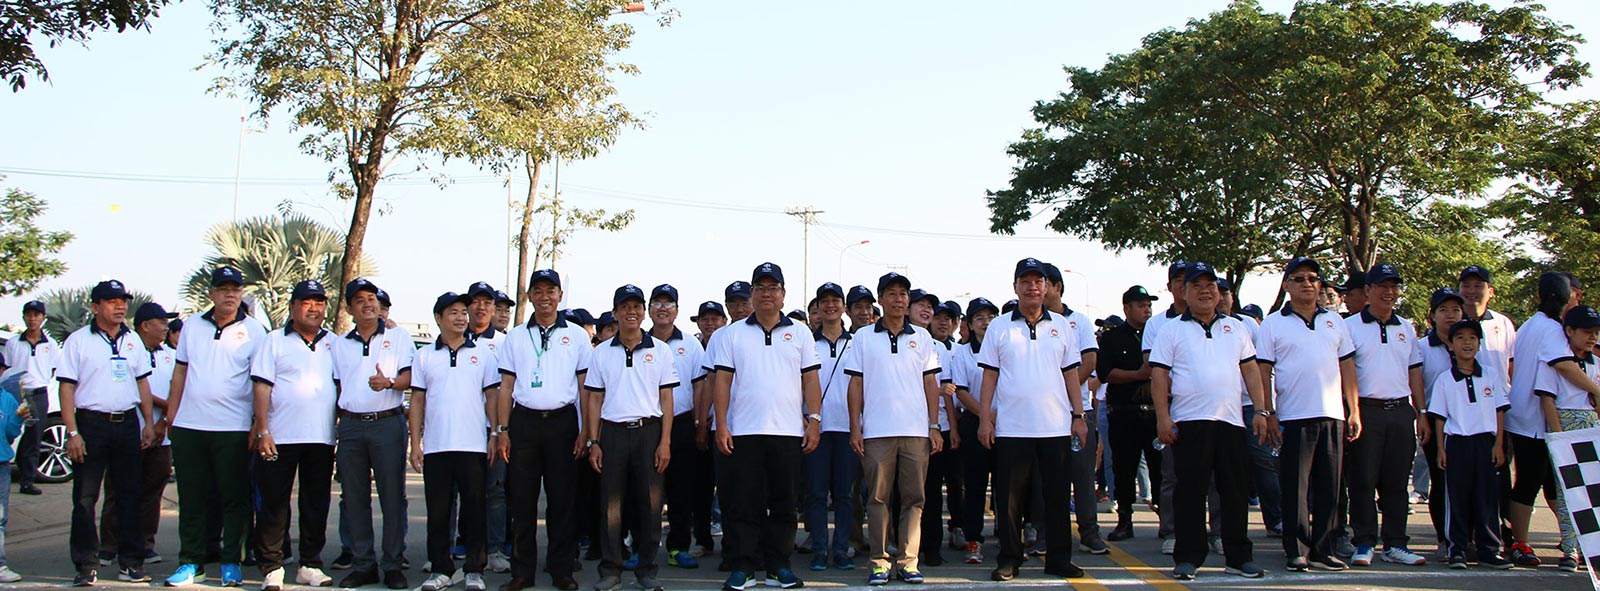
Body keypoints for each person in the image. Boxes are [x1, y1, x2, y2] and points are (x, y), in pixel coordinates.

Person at [1150, 261, 1272, 581]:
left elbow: (1250, 370)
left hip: (1230, 421)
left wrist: (1261, 411)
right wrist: (1163, 417)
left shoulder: (1236, 328)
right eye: (1197, 285)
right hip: (1189, 421)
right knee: (1189, 492)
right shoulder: (1171, 329)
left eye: (1211, 286)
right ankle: (1188, 557)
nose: (1205, 291)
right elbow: (1159, 376)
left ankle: (1238, 556)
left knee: (1234, 492)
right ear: (1184, 291)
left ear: (1218, 292)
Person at [710, 263, 822, 591]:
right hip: (744, 432)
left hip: (788, 432)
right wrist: (721, 424)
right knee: (745, 503)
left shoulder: (800, 332)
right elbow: (722, 381)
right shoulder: (733, 334)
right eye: (760, 288)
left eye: (773, 288)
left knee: (785, 503)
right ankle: (743, 567)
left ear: (783, 295)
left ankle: (778, 567)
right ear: (752, 294)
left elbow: (810, 379)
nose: (766, 294)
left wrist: (814, 420)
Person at [977, 257, 1089, 582]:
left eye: (1038, 281)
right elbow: (989, 377)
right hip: (1013, 428)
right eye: (1025, 282)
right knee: (1010, 500)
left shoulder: (1062, 326)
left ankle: (1059, 559)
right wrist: (985, 419)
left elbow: (1071, 374)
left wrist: (1078, 415)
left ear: (1046, 287)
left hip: (1055, 427)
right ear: (1015, 287)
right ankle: (1009, 559)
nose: (1032, 287)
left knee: (1057, 498)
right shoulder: (1000, 327)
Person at [165, 267, 269, 588]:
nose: (230, 295)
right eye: (223, 289)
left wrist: (258, 424)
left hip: (233, 427)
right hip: (190, 425)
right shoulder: (192, 326)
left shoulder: (255, 330)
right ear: (211, 293)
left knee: (234, 498)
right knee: (192, 497)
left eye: (235, 289)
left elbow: (261, 382)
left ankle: (230, 562)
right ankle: (191, 562)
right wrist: (171, 416)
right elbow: (181, 372)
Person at [1254, 257, 1357, 573]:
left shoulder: (1334, 321)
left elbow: (1347, 366)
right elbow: (1263, 370)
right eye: (1299, 279)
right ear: (1286, 285)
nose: (1307, 284)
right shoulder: (1273, 323)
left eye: (1313, 278)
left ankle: (1323, 550)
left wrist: (1353, 410)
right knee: (1296, 488)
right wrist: (1268, 412)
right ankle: (1297, 550)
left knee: (1331, 486)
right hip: (1294, 416)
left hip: (1332, 414)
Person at [57, 280, 160, 586]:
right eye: (112, 301)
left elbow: (142, 383)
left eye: (122, 301)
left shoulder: (133, 340)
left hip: (126, 423)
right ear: (95, 307)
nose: (120, 306)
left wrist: (148, 423)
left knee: (130, 494)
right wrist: (72, 432)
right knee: (85, 498)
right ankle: (86, 564)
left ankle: (130, 562)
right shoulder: (78, 341)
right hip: (91, 424)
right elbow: (66, 388)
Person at [494, 269, 591, 591]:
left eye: (551, 291)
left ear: (560, 295)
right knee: (522, 501)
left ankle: (561, 568)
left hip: (563, 423)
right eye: (538, 291)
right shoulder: (516, 336)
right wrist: (503, 430)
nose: (545, 296)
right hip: (524, 423)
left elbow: (585, 387)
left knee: (562, 500)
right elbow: (506, 386)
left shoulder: (577, 335)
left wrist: (585, 430)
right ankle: (522, 571)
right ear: (530, 296)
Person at [846, 273, 942, 586]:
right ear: (881, 299)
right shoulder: (863, 337)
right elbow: (855, 383)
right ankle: (879, 560)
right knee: (877, 499)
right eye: (891, 293)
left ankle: (908, 560)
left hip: (915, 432)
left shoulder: (923, 337)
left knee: (914, 499)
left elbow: (931, 383)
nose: (898, 299)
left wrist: (934, 425)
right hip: (876, 431)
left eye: (903, 294)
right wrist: (855, 426)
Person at [584, 285, 679, 591]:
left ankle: (647, 569)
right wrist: (594, 441)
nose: (631, 312)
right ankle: (611, 570)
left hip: (649, 432)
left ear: (644, 311)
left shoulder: (660, 351)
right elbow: (594, 399)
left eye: (636, 307)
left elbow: (667, 399)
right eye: (625, 307)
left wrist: (665, 441)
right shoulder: (601, 352)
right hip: (612, 432)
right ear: (615, 313)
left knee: (651, 504)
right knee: (610, 505)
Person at [250, 281, 340, 591]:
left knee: (316, 502)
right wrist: (263, 429)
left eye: (319, 303)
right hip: (279, 436)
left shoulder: (334, 343)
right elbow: (262, 386)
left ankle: (310, 564)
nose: (314, 309)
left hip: (321, 437)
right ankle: (272, 566)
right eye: (307, 302)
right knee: (274, 502)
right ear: (293, 307)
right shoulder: (274, 341)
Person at [328, 278, 415, 589]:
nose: (368, 304)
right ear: (350, 308)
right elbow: (337, 386)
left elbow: (410, 377)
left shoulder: (398, 336)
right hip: (351, 426)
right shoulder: (340, 344)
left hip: (387, 423)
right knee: (354, 498)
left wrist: (389, 383)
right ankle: (363, 564)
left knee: (392, 497)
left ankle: (392, 564)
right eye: (360, 300)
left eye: (372, 298)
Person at [1343, 263, 1429, 568]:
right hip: (1366, 411)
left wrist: (1421, 412)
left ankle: (1395, 544)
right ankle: (1364, 541)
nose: (1389, 292)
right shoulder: (1350, 326)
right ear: (1368, 290)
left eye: (1393, 287)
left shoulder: (1406, 327)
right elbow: (1346, 371)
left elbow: (1414, 371)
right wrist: (1353, 411)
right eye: (1382, 286)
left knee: (1396, 483)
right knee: (1363, 481)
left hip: (1400, 411)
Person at [412, 292, 498, 591]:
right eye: (454, 313)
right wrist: (415, 443)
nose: (461, 317)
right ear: (438, 318)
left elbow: (491, 396)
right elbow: (417, 400)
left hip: (472, 445)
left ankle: (475, 569)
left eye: (464, 312)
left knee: (475, 510)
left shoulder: (482, 354)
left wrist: (495, 433)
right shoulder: (424, 355)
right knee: (438, 512)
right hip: (437, 446)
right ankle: (440, 569)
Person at [1504, 273, 1589, 568]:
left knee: (1552, 483)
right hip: (1534, 420)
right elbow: (1564, 365)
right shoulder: (1552, 329)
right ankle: (1520, 542)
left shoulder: (1531, 324)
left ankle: (1574, 539)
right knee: (1530, 482)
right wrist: (1596, 390)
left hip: (1525, 415)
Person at [1425, 319, 1512, 569]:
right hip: (1457, 443)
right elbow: (1440, 417)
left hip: (1485, 443)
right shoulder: (1445, 379)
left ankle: (1489, 550)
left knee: (1487, 497)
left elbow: (1499, 411)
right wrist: (1441, 449)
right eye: (1461, 338)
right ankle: (1457, 548)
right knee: (1457, 498)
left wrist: (1498, 444)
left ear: (1479, 344)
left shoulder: (1490, 375)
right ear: (1451, 345)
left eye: (1472, 338)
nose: (1467, 343)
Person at [98, 303, 179, 566]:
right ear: (145, 325)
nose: (166, 327)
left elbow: (179, 390)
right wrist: (164, 406)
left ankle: (144, 543)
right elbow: (135, 387)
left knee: (152, 491)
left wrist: (163, 420)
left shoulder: (171, 355)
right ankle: (110, 545)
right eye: (161, 322)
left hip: (162, 435)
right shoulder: (127, 350)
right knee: (118, 489)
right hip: (130, 432)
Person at [1042, 263, 1109, 556]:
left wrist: (1064, 392)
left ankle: (1089, 533)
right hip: (1045, 414)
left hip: (1078, 412)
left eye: (1044, 283)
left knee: (1082, 475)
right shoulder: (1032, 324)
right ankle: (1046, 533)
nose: (1039, 289)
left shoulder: (1078, 321)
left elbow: (1090, 361)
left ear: (1057, 287)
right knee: (1047, 478)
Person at [648, 284, 714, 569]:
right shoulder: (639, 342)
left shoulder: (690, 344)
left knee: (681, 489)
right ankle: (642, 548)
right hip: (648, 425)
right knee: (646, 490)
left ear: (676, 310)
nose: (663, 309)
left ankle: (678, 547)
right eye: (657, 303)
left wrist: (699, 424)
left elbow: (700, 386)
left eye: (669, 304)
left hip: (683, 423)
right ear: (649, 310)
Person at [1536, 305, 1600, 571]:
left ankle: (1590, 547)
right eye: (1586, 332)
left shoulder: (1596, 363)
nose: (1592, 337)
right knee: (1567, 491)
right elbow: (1547, 399)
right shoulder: (1555, 363)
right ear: (1570, 331)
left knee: (1592, 491)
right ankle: (1569, 548)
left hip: (1591, 427)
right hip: (1565, 426)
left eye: (1596, 332)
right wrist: (1558, 436)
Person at [1099, 286, 1161, 541]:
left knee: (1160, 469)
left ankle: (1166, 520)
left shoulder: (1158, 334)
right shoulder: (1112, 338)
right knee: (1123, 469)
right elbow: (1105, 373)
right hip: (1124, 413)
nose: (1147, 310)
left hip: (1154, 412)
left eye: (1149, 305)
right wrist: (1137, 374)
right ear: (1127, 308)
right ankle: (1124, 519)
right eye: (1141, 305)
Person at [802, 283, 857, 571]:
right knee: (816, 494)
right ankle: (820, 550)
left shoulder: (857, 342)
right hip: (816, 430)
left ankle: (842, 550)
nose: (830, 305)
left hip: (848, 428)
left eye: (835, 300)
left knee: (845, 495)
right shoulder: (806, 342)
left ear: (844, 307)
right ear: (817, 308)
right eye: (824, 301)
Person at [464, 282, 511, 574]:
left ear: (493, 309)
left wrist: (502, 429)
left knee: (496, 490)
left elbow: (508, 387)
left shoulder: (505, 343)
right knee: (464, 491)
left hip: (494, 428)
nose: (481, 308)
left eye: (487, 303)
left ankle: (495, 549)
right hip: (463, 429)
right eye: (475, 302)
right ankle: (463, 546)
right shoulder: (456, 338)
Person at [1417, 288, 1469, 550]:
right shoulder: (1422, 347)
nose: (1450, 315)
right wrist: (1421, 416)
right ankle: (1444, 537)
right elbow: (1416, 385)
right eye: (1444, 310)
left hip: (1468, 423)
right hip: (1435, 422)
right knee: (1441, 480)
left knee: (1466, 481)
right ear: (1432, 315)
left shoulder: (1469, 344)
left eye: (1456, 310)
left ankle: (1466, 535)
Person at [950, 297, 999, 564]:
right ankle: (973, 539)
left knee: (1007, 484)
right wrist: (984, 416)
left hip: (1005, 422)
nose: (986, 323)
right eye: (979, 318)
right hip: (974, 421)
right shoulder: (962, 353)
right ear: (970, 324)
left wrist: (994, 417)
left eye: (990, 317)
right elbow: (961, 390)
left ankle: (1009, 537)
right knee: (975, 484)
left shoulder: (1005, 348)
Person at [922, 300, 966, 564]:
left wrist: (954, 426)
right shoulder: (925, 344)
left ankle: (957, 527)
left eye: (948, 318)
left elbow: (949, 392)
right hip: (923, 426)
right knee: (930, 491)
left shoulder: (954, 350)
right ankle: (929, 544)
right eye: (938, 317)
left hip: (948, 426)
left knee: (956, 483)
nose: (942, 322)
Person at [2, 299, 57, 496]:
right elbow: (6, 369)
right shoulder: (13, 343)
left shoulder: (50, 344)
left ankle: (27, 480)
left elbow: (52, 370)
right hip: (16, 393)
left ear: (43, 318)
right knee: (8, 430)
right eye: (29, 315)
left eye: (36, 315)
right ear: (24, 317)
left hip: (38, 393)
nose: (32, 319)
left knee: (34, 436)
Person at [0, 370, 30, 582]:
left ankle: (0, 566)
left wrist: (19, 418)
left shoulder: (7, 398)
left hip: (1, 463)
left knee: (0, 517)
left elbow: (10, 434)